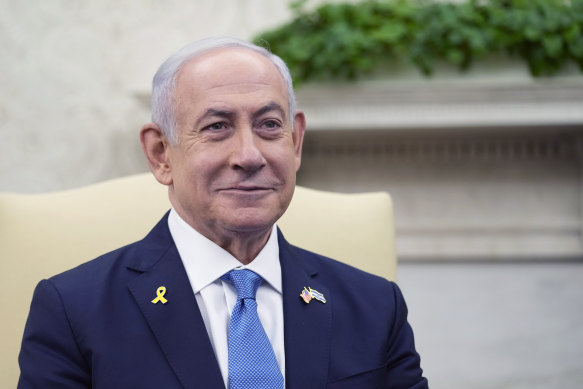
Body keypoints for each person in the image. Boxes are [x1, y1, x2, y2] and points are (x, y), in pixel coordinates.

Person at [18, 37, 428, 389]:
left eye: (269, 125)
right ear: (161, 154)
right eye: (217, 127)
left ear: (296, 142)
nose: (249, 156)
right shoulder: (74, 310)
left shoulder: (375, 306)